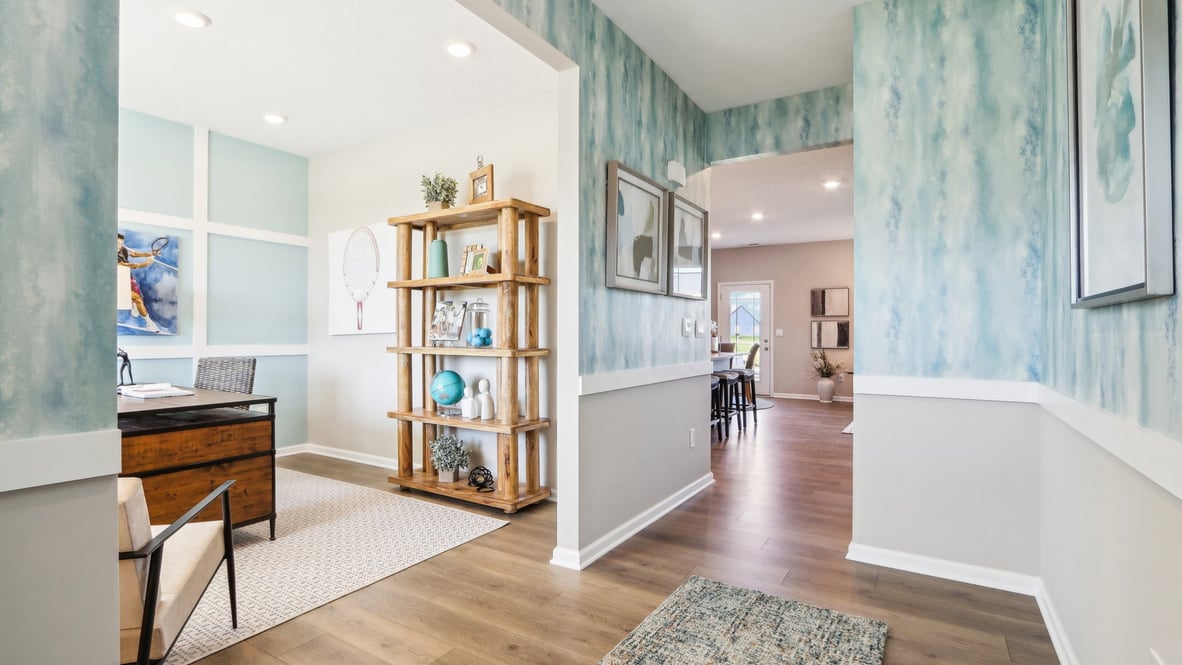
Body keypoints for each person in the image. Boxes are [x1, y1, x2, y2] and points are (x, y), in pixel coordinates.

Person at [117, 233, 160, 333]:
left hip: (128, 278)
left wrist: (150, 254)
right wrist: (145, 264)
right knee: (138, 299)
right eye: (117, 243)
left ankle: (133, 304)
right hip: (117, 282)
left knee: (139, 298)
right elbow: (128, 265)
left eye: (120, 243)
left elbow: (134, 254)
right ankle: (150, 323)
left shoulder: (122, 249)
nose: (119, 246)